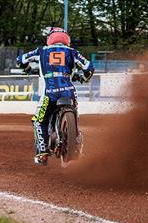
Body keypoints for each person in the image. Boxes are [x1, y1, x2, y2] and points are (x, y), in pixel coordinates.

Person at [16, 28, 94, 166]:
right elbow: (89, 68)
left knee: (39, 121)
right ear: (67, 40)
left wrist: (27, 69)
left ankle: (42, 153)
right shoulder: (72, 52)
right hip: (69, 92)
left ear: (50, 39)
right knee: (75, 115)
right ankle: (76, 143)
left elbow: (20, 60)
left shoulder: (41, 51)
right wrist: (84, 78)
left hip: (49, 93)